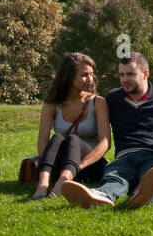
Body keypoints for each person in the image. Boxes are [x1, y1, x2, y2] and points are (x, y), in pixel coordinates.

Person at [62, 52, 153, 210]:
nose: (125, 79)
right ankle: (101, 195)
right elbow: (92, 124)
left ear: (145, 74)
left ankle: (141, 196)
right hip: (124, 155)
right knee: (115, 176)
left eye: (130, 74)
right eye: (121, 74)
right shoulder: (113, 98)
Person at [31, 53, 110, 200]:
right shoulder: (52, 104)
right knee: (57, 138)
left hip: (88, 166)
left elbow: (105, 142)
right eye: (84, 75)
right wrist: (48, 164)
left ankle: (61, 185)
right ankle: (42, 185)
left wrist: (80, 165)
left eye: (91, 74)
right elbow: (43, 141)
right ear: (68, 76)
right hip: (61, 165)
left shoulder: (98, 102)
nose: (90, 79)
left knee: (73, 139)